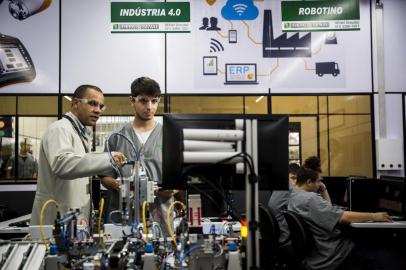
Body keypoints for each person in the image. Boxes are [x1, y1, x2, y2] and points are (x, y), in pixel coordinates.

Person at [30, 85, 127, 227]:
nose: (98, 110)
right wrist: (108, 158)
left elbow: (80, 162)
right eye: (93, 103)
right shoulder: (60, 129)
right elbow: (63, 165)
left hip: (74, 221)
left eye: (101, 106)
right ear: (75, 103)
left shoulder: (79, 132)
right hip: (55, 222)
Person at [101, 77, 175, 237]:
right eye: (143, 101)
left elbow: (178, 182)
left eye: (154, 101)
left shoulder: (169, 136)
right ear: (132, 100)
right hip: (123, 217)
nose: (149, 107)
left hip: (160, 218)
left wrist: (167, 190)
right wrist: (122, 185)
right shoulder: (116, 137)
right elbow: (105, 178)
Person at [288, 167, 391, 270]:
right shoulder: (310, 199)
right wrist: (374, 216)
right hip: (334, 253)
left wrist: (323, 189)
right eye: (319, 181)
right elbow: (343, 217)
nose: (320, 184)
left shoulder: (293, 195)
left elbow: (328, 209)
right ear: (309, 182)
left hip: (315, 253)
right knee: (383, 255)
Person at [267, 162, 300, 245]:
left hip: (277, 235)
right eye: (293, 178)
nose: (295, 182)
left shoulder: (279, 186)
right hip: (285, 236)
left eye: (297, 179)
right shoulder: (289, 188)